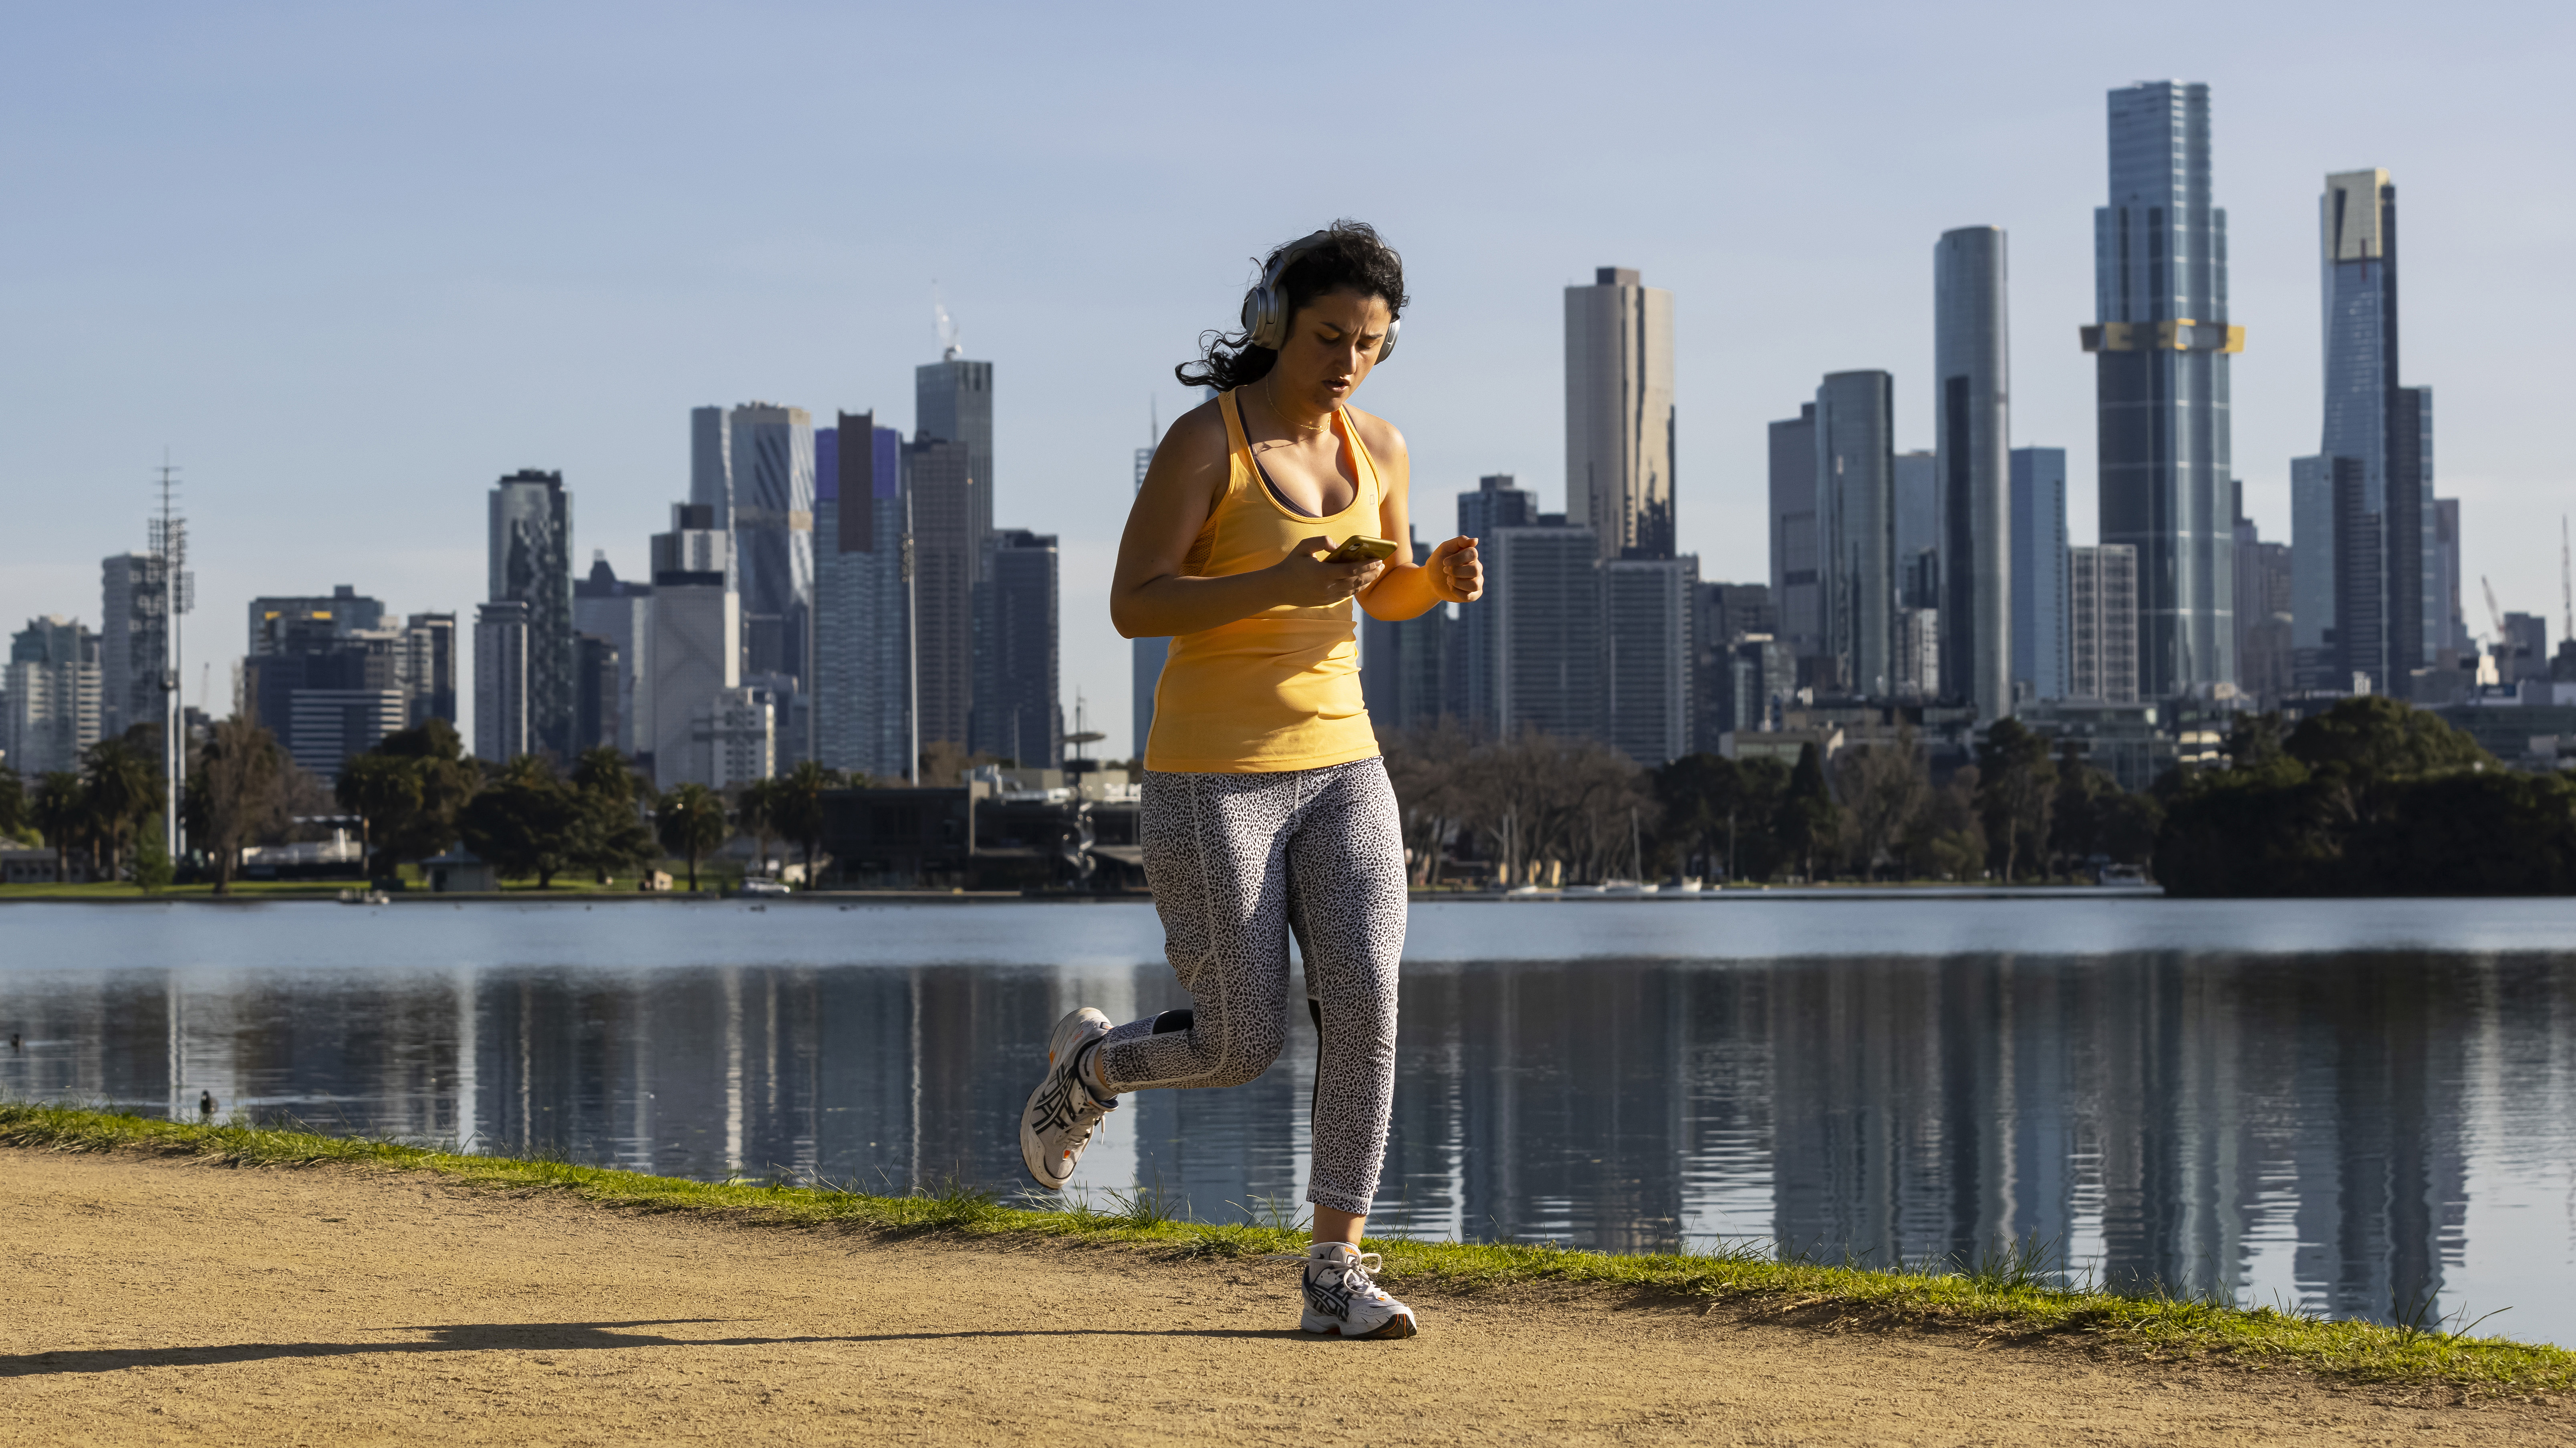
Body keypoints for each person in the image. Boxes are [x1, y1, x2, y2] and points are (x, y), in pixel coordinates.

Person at [1019, 221, 1483, 1340]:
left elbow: (1380, 596)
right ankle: (1090, 1069)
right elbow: (1137, 603)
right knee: (1239, 1044)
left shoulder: (1379, 446)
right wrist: (1275, 578)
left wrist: (1436, 582)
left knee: (1367, 1002)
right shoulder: (1205, 443)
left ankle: (1336, 1270)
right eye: (1329, 336)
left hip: (1345, 763)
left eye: (1370, 343)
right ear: (1274, 322)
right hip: (1210, 777)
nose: (1348, 362)